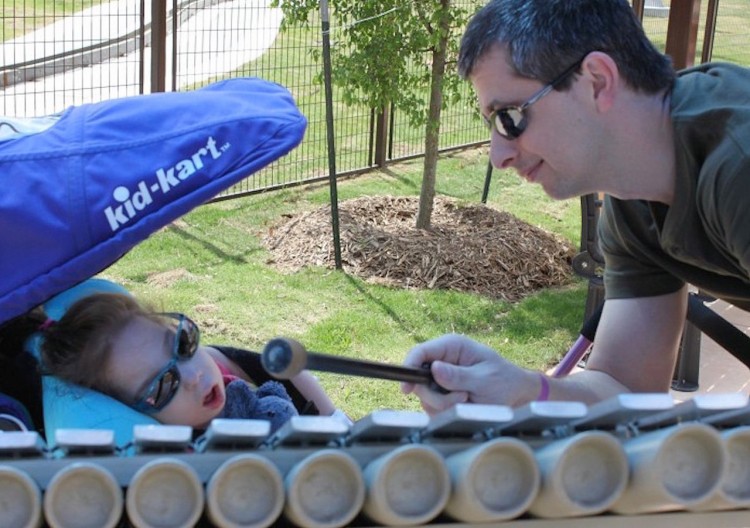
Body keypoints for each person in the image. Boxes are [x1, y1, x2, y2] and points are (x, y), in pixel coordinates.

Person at [402, 0, 750, 414]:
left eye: (509, 117)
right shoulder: (633, 193)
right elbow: (626, 388)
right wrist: (522, 391)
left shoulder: (737, 166)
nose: (498, 155)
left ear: (598, 81)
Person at [5, 292, 340, 433]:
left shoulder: (244, 367)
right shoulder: (182, 476)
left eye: (182, 344)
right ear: (133, 412)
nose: (194, 375)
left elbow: (342, 427)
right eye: (163, 385)